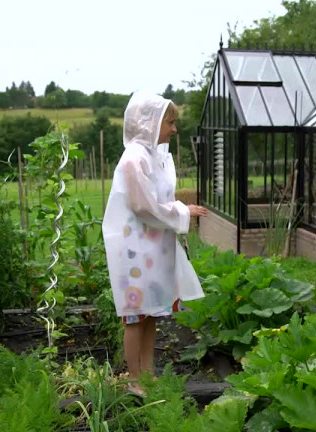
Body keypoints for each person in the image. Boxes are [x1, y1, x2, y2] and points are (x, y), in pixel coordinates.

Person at [102, 94, 208, 397]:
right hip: (134, 252)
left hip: (149, 251)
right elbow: (143, 206)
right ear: (151, 123)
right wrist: (183, 212)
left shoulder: (150, 156)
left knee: (149, 314)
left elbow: (157, 200)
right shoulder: (134, 158)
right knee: (135, 316)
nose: (174, 129)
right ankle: (133, 381)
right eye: (170, 122)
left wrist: (180, 208)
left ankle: (147, 375)